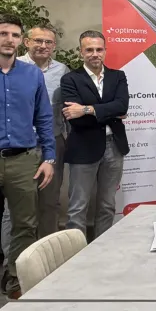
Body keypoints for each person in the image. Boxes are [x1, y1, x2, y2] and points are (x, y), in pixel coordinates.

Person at [1, 23, 69, 291]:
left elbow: (44, 117)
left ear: (20, 40)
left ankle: (16, 274)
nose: (9, 39)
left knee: (25, 221)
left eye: (14, 35)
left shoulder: (33, 74)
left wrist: (49, 157)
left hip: (24, 157)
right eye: (3, 34)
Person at [61, 30, 129, 239]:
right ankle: (76, 253)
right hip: (84, 146)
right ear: (81, 52)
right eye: (89, 50)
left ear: (105, 51)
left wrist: (86, 109)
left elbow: (122, 106)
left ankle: (102, 249)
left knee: (108, 205)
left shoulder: (118, 76)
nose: (95, 54)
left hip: (114, 146)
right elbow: (75, 119)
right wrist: (109, 111)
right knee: (78, 207)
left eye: (99, 49)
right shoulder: (70, 79)